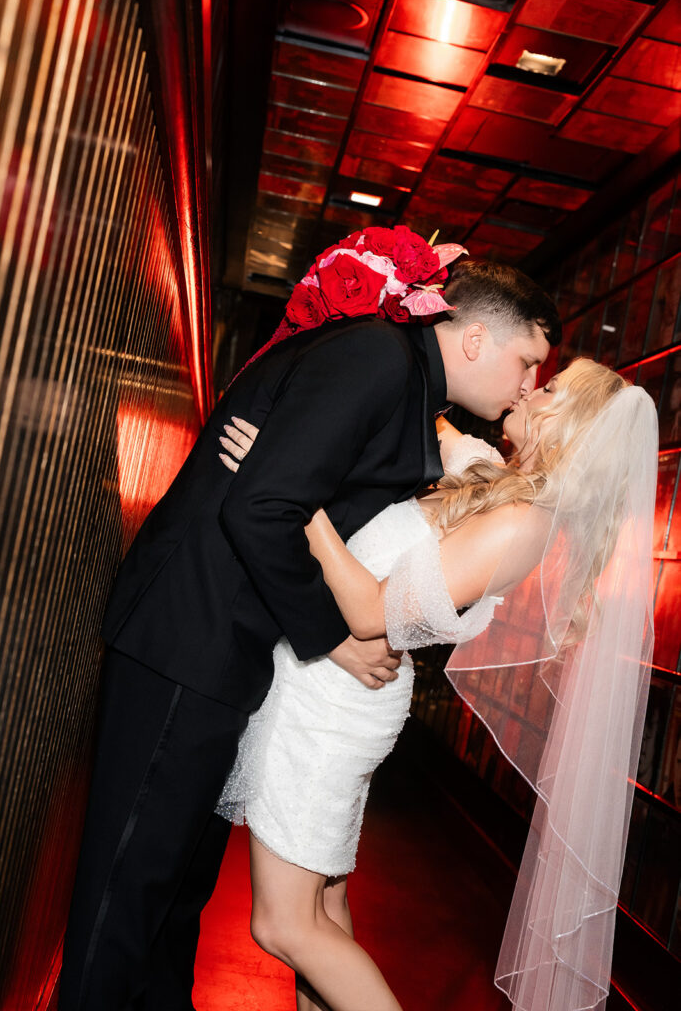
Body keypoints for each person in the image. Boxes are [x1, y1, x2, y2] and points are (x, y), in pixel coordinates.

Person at [58, 226, 560, 1011]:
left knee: (173, 892)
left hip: (229, 645)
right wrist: (333, 642)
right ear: (472, 340)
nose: (528, 382)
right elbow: (263, 507)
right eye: (526, 360)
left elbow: (301, 490)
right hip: (192, 631)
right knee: (129, 893)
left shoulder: (405, 380)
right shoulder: (376, 359)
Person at [218, 356, 657, 1011]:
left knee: (282, 924)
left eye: (550, 388)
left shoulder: (521, 522)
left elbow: (370, 612)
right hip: (327, 685)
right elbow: (431, 404)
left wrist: (292, 493)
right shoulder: (496, 479)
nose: (531, 387)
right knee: (323, 907)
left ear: (575, 424)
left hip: (333, 706)